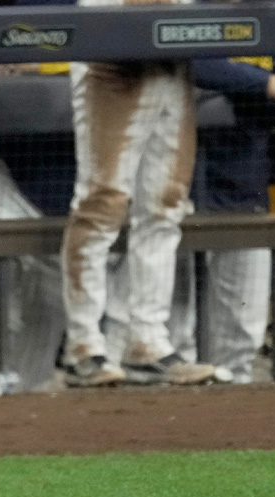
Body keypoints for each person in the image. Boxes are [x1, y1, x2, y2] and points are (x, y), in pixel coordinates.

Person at [108, 55, 275, 384]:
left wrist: (228, 81)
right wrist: (259, 82)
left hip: (243, 194)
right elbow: (179, 62)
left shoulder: (273, 13)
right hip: (167, 196)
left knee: (241, 339)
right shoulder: (186, 5)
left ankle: (231, 428)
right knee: (169, 338)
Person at [60, 1, 217, 388]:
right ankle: (84, 346)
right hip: (112, 59)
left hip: (173, 59)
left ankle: (149, 341)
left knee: (165, 208)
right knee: (101, 204)